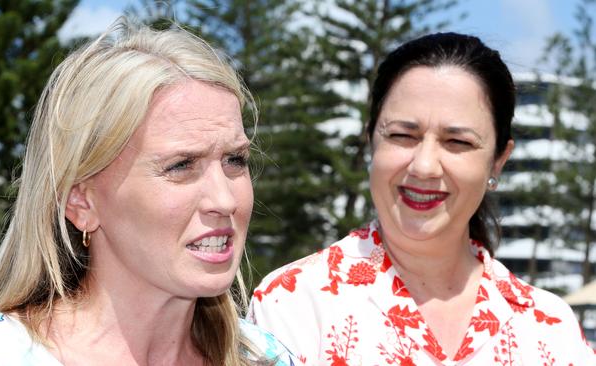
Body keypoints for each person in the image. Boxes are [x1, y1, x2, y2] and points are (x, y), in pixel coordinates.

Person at [0, 19, 299, 366]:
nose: (224, 200)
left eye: (235, 160)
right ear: (80, 201)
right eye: (181, 165)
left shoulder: (264, 357)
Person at [248, 32, 595, 365]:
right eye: (402, 135)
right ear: (371, 140)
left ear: (498, 161)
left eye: (457, 142)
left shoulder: (550, 328)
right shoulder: (295, 303)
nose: (425, 165)